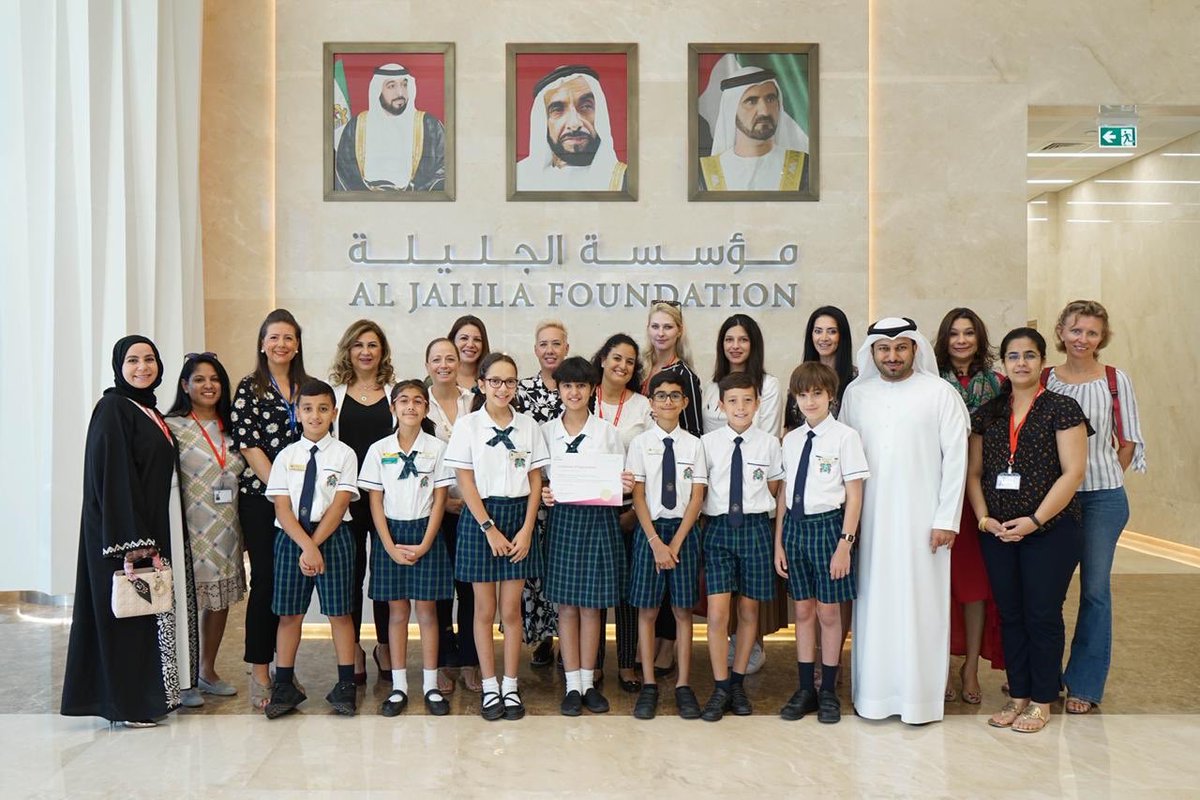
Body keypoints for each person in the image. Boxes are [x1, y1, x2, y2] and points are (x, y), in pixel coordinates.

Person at [62, 336, 198, 727]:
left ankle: (149, 698)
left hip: (148, 527)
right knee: (128, 619)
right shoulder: (112, 408)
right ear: (118, 365)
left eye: (150, 360)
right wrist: (134, 541)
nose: (143, 367)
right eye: (134, 360)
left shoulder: (144, 408)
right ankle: (129, 705)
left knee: (145, 615)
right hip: (123, 538)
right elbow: (113, 477)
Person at [839, 317, 969, 724]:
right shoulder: (855, 395)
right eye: (883, 349)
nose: (892, 356)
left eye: (900, 348)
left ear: (914, 349)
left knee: (921, 606)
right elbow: (840, 459)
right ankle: (873, 697)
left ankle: (919, 700)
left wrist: (946, 519)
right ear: (872, 352)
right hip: (870, 522)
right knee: (874, 605)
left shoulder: (940, 393)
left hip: (924, 524)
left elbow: (957, 461)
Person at [967, 328, 1090, 733]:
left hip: (1050, 531)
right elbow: (975, 473)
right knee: (1010, 613)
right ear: (1003, 363)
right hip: (998, 532)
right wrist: (985, 519)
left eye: (1030, 356)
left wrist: (1035, 520)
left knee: (1042, 614)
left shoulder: (1062, 408)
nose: (1021, 363)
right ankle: (1017, 694)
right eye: (1013, 356)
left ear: (1042, 362)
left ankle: (1042, 699)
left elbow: (1073, 473)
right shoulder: (990, 412)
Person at [1043, 300, 1146, 714]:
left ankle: (1084, 684)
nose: (1082, 339)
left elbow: (1128, 440)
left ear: (1102, 338)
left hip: (1102, 499)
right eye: (1075, 330)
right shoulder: (1047, 379)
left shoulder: (1115, 380)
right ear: (1061, 332)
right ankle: (1043, 677)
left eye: (1091, 332)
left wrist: (1099, 479)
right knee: (1046, 591)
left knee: (1095, 591)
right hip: (1053, 500)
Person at [445, 353, 549, 721]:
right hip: (481, 519)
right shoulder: (468, 426)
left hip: (519, 515)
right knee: (484, 610)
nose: (503, 388)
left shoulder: (529, 426)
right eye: (495, 381)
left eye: (510, 382)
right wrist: (488, 528)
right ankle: (489, 687)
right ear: (482, 384)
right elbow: (465, 480)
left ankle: (510, 685)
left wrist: (525, 529)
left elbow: (536, 480)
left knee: (511, 610)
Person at [774, 363, 869, 724]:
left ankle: (828, 689)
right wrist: (779, 542)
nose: (810, 400)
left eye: (817, 393)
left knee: (829, 611)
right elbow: (784, 493)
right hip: (795, 530)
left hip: (830, 529)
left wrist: (845, 543)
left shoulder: (846, 437)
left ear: (831, 396)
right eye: (803, 394)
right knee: (802, 611)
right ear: (795, 399)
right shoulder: (792, 439)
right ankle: (805, 689)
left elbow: (855, 495)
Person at [262, 380, 361, 718]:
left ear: (334, 412)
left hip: (333, 537)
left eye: (322, 409)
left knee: (339, 612)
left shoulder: (345, 454)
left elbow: (339, 504)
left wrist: (315, 545)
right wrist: (306, 546)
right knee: (289, 614)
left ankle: (346, 684)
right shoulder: (285, 456)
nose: (315, 415)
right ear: (297, 413)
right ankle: (284, 684)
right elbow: (282, 508)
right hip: (292, 539)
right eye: (307, 409)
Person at [359, 380, 456, 717]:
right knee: (397, 613)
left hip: (426, 531)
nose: (411, 407)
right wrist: (387, 545)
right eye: (403, 401)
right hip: (390, 533)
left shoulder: (437, 449)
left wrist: (426, 542)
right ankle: (399, 685)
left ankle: (430, 684)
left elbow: (441, 500)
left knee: (427, 611)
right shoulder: (378, 450)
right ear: (392, 408)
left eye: (418, 401)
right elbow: (375, 500)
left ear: (426, 409)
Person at [540, 357, 630, 715]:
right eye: (567, 386)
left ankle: (589, 683)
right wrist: (546, 492)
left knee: (593, 607)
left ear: (593, 389)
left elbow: (618, 484)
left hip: (599, 522)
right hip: (563, 520)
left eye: (581, 386)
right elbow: (541, 479)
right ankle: (571, 684)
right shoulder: (546, 432)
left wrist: (624, 484)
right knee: (567, 605)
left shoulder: (607, 433)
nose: (574, 392)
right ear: (558, 390)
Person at [231, 309, 308, 709]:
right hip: (263, 499)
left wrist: (298, 496)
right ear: (263, 343)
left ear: (297, 345)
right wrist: (281, 492)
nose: (281, 344)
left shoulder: (308, 387)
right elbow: (249, 444)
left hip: (305, 501)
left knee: (292, 587)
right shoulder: (249, 388)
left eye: (289, 338)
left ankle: (286, 670)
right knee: (266, 582)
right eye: (274, 337)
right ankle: (260, 670)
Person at [699, 372, 784, 722]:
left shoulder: (769, 444)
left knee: (749, 613)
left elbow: (777, 489)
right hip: (718, 530)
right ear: (721, 405)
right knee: (718, 614)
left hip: (755, 530)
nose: (740, 407)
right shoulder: (707, 443)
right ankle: (720, 686)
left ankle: (737, 682)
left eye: (748, 400)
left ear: (758, 404)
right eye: (733, 400)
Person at [933, 307, 1006, 704]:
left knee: (975, 587)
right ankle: (940, 664)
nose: (961, 340)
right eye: (954, 334)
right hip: (938, 493)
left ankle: (971, 667)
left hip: (983, 496)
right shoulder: (930, 382)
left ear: (979, 339)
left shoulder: (999, 384)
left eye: (968, 333)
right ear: (944, 340)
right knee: (939, 583)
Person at [165, 352, 247, 703]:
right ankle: (182, 679)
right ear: (185, 385)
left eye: (214, 379)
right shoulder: (172, 427)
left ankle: (207, 670)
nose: (208, 385)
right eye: (199, 379)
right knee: (184, 602)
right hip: (188, 528)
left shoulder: (235, 427)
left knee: (218, 602)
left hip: (227, 527)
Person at [627, 371, 708, 720]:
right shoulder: (640, 444)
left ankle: (683, 685)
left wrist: (675, 541)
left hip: (683, 535)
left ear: (685, 402)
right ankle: (648, 684)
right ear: (651, 404)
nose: (668, 402)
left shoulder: (695, 445)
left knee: (683, 612)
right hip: (651, 533)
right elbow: (638, 495)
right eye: (661, 396)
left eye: (675, 396)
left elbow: (697, 496)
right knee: (646, 611)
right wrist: (656, 542)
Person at [329, 320, 396, 685]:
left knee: (385, 574)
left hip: (386, 498)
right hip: (347, 498)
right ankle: (352, 646)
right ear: (348, 350)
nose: (366, 352)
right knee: (350, 573)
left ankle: (385, 645)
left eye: (373, 345)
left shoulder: (396, 392)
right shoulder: (335, 395)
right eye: (359, 345)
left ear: (382, 351)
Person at [592, 333, 655, 690]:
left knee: (632, 589)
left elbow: (649, 459)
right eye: (616, 358)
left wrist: (634, 513)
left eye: (630, 362)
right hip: (590, 510)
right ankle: (594, 660)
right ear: (602, 359)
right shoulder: (583, 397)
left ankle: (628, 662)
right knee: (595, 588)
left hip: (632, 509)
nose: (622, 366)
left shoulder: (643, 406)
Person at [425, 337, 481, 693]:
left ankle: (471, 659)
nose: (444, 364)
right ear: (427, 364)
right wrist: (442, 502)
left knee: (473, 590)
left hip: (475, 508)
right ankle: (446, 659)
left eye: (451, 358)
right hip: (434, 510)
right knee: (441, 588)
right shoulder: (417, 401)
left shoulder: (474, 400)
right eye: (437, 359)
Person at [516, 321, 567, 669]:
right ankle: (544, 638)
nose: (550, 350)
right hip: (535, 494)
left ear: (566, 348)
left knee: (566, 569)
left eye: (556, 344)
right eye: (543, 344)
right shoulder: (521, 391)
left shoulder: (578, 386)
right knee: (537, 572)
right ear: (535, 349)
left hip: (572, 497)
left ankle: (571, 643)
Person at [334, 63, 446, 192]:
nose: (400, 93)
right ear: (378, 91)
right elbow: (344, 172)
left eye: (404, 85)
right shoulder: (357, 126)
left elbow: (443, 171)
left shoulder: (429, 125)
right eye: (391, 86)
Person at [517, 64, 628, 192]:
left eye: (586, 106)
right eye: (557, 110)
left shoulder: (625, 181)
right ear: (543, 123)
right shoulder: (518, 179)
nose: (574, 124)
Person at [698, 66, 809, 192]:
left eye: (770, 99)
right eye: (751, 101)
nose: (764, 111)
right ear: (731, 110)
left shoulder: (805, 168)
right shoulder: (704, 175)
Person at [702, 314, 782, 435]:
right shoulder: (711, 386)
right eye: (729, 340)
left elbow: (769, 438)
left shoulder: (769, 385)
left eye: (743, 340)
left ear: (754, 344)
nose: (735, 346)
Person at [785, 306, 856, 430]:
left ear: (842, 336)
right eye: (818, 331)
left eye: (832, 331)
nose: (824, 338)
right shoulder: (801, 376)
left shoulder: (855, 379)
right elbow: (790, 427)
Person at [643, 302, 704, 438]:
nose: (660, 333)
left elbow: (695, 432)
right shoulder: (639, 369)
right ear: (648, 329)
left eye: (668, 327)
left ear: (679, 330)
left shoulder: (684, 375)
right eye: (655, 326)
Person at [448, 315, 489, 393]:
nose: (470, 345)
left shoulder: (493, 380)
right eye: (464, 338)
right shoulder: (436, 379)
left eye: (477, 340)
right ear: (452, 342)